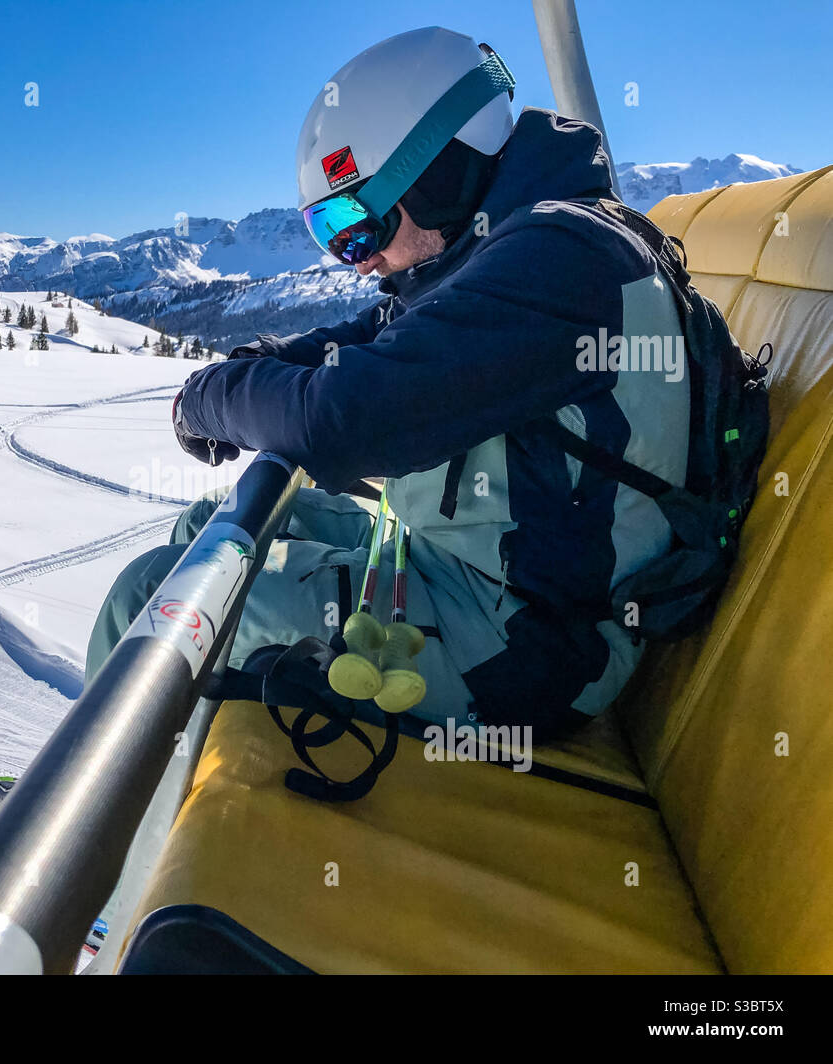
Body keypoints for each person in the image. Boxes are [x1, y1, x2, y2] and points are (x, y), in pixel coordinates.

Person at [86, 26, 691, 741]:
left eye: (355, 223)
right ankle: (153, 785)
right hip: (483, 573)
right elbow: (374, 338)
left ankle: (89, 838)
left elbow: (341, 421)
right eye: (329, 233)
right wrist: (252, 364)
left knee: (148, 599)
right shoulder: (508, 245)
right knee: (204, 530)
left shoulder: (561, 261)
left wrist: (209, 399)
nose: (354, 260)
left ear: (436, 176)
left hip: (532, 646)